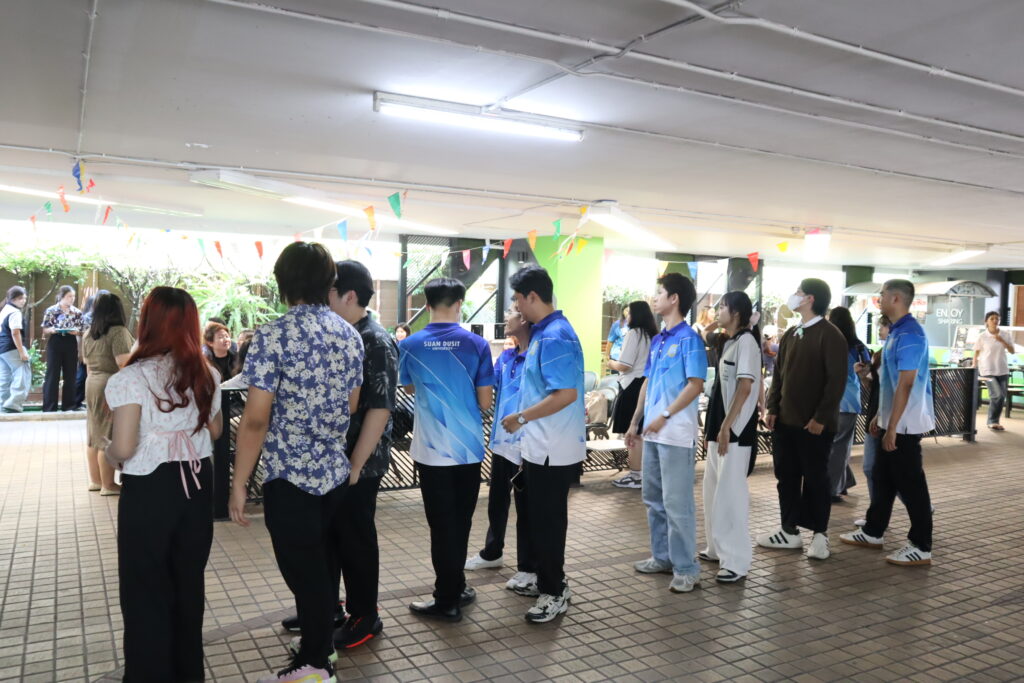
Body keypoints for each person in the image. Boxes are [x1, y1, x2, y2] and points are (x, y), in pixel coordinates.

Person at [229, 242, 364, 683]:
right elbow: (352, 404)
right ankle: (320, 650)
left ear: (283, 282)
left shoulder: (273, 335)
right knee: (320, 566)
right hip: (334, 473)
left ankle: (315, 664)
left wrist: (239, 482)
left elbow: (255, 419)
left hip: (290, 475)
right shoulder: (349, 334)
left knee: (303, 571)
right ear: (329, 282)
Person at [104, 286, 223, 683]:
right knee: (188, 581)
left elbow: (124, 447)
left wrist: (108, 453)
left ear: (148, 323)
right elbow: (216, 431)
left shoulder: (132, 377)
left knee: (144, 585)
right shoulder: (206, 374)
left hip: (149, 487)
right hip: (196, 482)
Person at [399, 278, 494, 622]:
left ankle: (447, 598)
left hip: (430, 450)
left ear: (427, 305)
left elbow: (409, 387)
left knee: (441, 527)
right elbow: (485, 402)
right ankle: (455, 588)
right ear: (459, 304)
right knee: (461, 522)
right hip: (468, 449)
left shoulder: (409, 344)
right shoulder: (477, 344)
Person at [500, 265, 586, 623]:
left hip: (554, 447)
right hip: (541, 446)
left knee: (549, 523)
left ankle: (555, 591)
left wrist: (521, 418)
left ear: (532, 296)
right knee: (540, 519)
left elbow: (565, 394)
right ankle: (546, 580)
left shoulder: (555, 336)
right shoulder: (544, 332)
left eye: (518, 299)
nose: (516, 307)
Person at [324, 260, 398, 650]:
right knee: (334, 535)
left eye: (328, 293)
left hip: (360, 462)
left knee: (356, 539)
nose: (323, 301)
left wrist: (356, 464)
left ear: (349, 296)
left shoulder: (376, 340)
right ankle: (331, 607)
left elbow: (380, 408)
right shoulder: (344, 333)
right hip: (337, 459)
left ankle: (365, 616)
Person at [841, 280, 936, 566]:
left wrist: (892, 426)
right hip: (891, 419)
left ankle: (921, 545)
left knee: (911, 484)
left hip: (905, 424)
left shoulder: (911, 334)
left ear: (895, 298)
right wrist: (880, 417)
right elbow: (890, 383)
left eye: (882, 294)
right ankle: (873, 531)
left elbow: (906, 384)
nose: (879, 298)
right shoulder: (896, 332)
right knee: (882, 477)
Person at [626, 273, 707, 593]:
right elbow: (647, 382)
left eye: (659, 293)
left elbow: (695, 385)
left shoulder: (690, 339)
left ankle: (687, 568)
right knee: (653, 499)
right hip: (653, 433)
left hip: (676, 435)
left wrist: (665, 415)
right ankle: (662, 557)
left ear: (674, 299)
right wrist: (635, 421)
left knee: (677, 504)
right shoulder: (659, 339)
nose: (654, 298)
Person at [760, 279, 847, 560]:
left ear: (810, 299)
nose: (794, 296)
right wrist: (772, 408)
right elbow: (779, 375)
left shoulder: (830, 335)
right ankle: (789, 530)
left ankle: (820, 535)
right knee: (785, 476)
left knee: (816, 478)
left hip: (815, 425)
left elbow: (836, 381)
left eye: (798, 292)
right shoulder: (792, 333)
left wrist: (821, 416)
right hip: (785, 422)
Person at [465, 306, 532, 576]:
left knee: (525, 508)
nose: (505, 315)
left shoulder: (536, 356)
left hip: (528, 445)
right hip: (502, 443)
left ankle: (527, 568)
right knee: (496, 501)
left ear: (525, 318)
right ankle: (492, 552)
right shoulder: (505, 357)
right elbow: (487, 386)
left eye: (512, 310)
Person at [701, 291, 760, 583]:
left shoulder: (747, 342)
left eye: (722, 307)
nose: (717, 311)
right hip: (719, 428)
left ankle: (736, 561)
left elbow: (745, 387)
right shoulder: (730, 342)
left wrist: (727, 426)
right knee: (712, 490)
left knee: (730, 496)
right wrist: (713, 429)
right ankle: (716, 548)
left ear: (736, 312)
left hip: (735, 431)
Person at [82, 292, 134, 495]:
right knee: (107, 435)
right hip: (110, 385)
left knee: (94, 434)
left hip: (92, 382)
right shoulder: (118, 331)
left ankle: (96, 481)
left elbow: (87, 364)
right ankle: (108, 484)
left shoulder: (89, 333)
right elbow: (123, 363)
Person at [607, 301, 658, 489]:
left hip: (632, 386)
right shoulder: (652, 334)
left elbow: (625, 365)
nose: (626, 317)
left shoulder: (634, 333)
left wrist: (611, 363)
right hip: (646, 384)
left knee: (633, 434)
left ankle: (636, 475)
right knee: (641, 433)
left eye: (629, 314)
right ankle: (642, 473)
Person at [826, 307, 871, 502]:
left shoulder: (829, 343)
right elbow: (868, 371)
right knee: (840, 446)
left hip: (830, 401)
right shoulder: (858, 346)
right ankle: (839, 485)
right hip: (849, 400)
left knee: (835, 446)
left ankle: (835, 487)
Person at [853, 316, 891, 526]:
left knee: (881, 470)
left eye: (882, 326)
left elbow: (892, 389)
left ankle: (918, 504)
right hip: (876, 415)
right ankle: (875, 515)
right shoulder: (879, 354)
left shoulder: (893, 354)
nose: (879, 330)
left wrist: (879, 415)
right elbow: (875, 386)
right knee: (872, 468)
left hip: (883, 418)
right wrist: (862, 375)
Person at [41, 285, 84, 412]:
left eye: (73, 296)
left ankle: (69, 405)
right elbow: (45, 329)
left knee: (71, 374)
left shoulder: (77, 312)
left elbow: (82, 330)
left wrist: (76, 332)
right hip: (56, 340)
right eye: (69, 296)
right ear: (62, 296)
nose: (72, 298)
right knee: (52, 374)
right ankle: (49, 407)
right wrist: (52, 330)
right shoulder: (51, 310)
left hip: (70, 341)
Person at [972, 311, 1014, 431]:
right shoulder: (982, 336)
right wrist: (974, 365)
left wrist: (1002, 340)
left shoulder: (1005, 334)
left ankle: (994, 421)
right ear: (986, 321)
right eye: (992, 319)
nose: (995, 321)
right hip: (987, 370)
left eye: (997, 318)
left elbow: (1012, 351)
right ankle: (992, 421)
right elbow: (976, 352)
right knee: (997, 394)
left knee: (1001, 397)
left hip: (1002, 369)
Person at [0, 286, 32, 414]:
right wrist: (21, 351)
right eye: (20, 298)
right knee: (23, 374)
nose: (23, 301)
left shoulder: (4, 309)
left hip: (2, 348)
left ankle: (3, 403)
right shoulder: (15, 312)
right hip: (12, 347)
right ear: (12, 299)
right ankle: (13, 404)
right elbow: (15, 332)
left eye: (24, 298)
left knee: (4, 377)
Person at [75, 292, 102, 411]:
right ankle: (76, 402)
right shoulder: (87, 318)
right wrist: (80, 352)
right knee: (82, 376)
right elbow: (80, 335)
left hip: (100, 351)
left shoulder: (105, 317)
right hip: (88, 351)